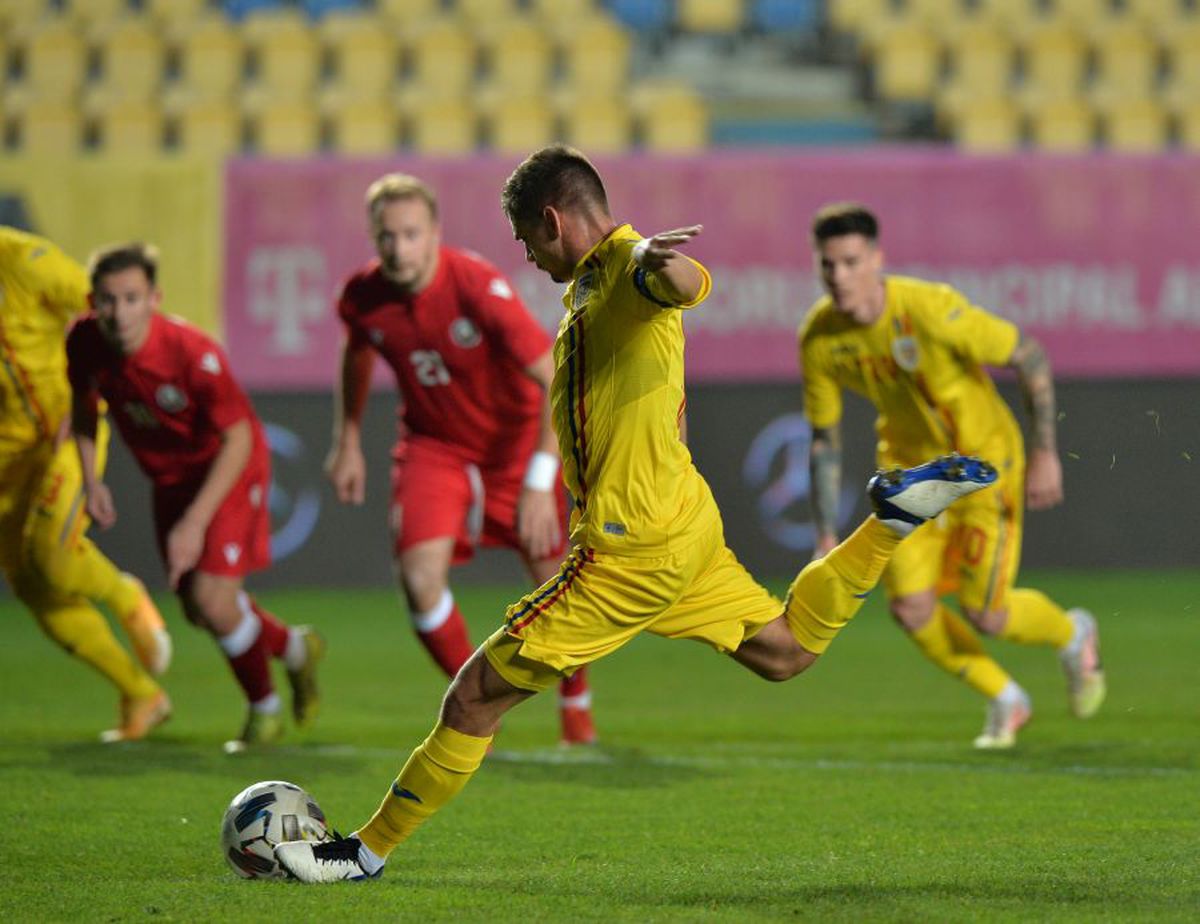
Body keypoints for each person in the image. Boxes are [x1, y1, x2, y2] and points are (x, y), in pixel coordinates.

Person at [274, 144, 998, 883]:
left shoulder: (624, 271)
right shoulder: (595, 284)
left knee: (474, 696)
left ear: (553, 220)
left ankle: (359, 853)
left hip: (628, 550)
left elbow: (675, 281)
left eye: (527, 238)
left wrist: (656, 261)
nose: (526, 254)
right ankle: (891, 521)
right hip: (682, 524)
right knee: (785, 651)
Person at [798, 203, 1106, 750]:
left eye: (849, 262)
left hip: (983, 467)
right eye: (828, 265)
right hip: (913, 479)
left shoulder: (931, 308)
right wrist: (825, 533)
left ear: (876, 259)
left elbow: (1028, 356)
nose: (839, 277)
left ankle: (1073, 633)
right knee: (911, 608)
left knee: (988, 614)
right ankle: (1007, 698)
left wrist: (1046, 452)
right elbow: (825, 439)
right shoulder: (820, 337)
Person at [325, 173, 596, 745]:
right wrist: (347, 436)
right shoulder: (363, 297)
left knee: (556, 583)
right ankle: (478, 707)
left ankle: (577, 708)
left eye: (410, 233)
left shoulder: (475, 286)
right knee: (419, 579)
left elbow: (551, 376)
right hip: (434, 447)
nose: (398, 247)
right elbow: (357, 353)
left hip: (515, 447)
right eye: (387, 235)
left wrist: (537, 480)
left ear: (433, 234)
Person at [66, 242, 324, 753]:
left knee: (212, 598)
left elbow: (239, 438)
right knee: (199, 608)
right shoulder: (84, 340)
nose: (119, 313)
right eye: (108, 300)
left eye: (132, 298)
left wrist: (194, 523)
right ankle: (295, 648)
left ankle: (264, 711)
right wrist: (89, 482)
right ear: (92, 301)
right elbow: (81, 408)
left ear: (154, 298)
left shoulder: (191, 353)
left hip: (230, 469)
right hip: (172, 481)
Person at [0, 226, 171, 743]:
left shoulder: (27, 261)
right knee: (31, 586)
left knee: (52, 555)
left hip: (64, 431)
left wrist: (87, 396)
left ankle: (122, 594)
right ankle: (141, 693)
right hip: (7, 459)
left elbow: (109, 317)